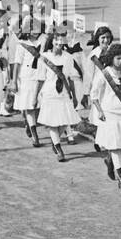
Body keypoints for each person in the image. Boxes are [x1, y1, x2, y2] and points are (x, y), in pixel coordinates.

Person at [89, 42, 121, 189]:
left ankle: (110, 160)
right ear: (111, 58)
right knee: (115, 145)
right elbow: (94, 95)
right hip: (110, 113)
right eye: (118, 58)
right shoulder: (105, 73)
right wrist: (100, 111)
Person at [36, 27, 80, 160]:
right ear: (52, 40)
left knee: (64, 121)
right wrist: (35, 96)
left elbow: (71, 78)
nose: (59, 43)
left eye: (62, 40)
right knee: (52, 123)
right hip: (49, 93)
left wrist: (74, 95)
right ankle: (59, 148)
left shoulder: (68, 57)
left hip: (64, 93)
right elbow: (40, 79)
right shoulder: (45, 57)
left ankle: (55, 140)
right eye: (57, 40)